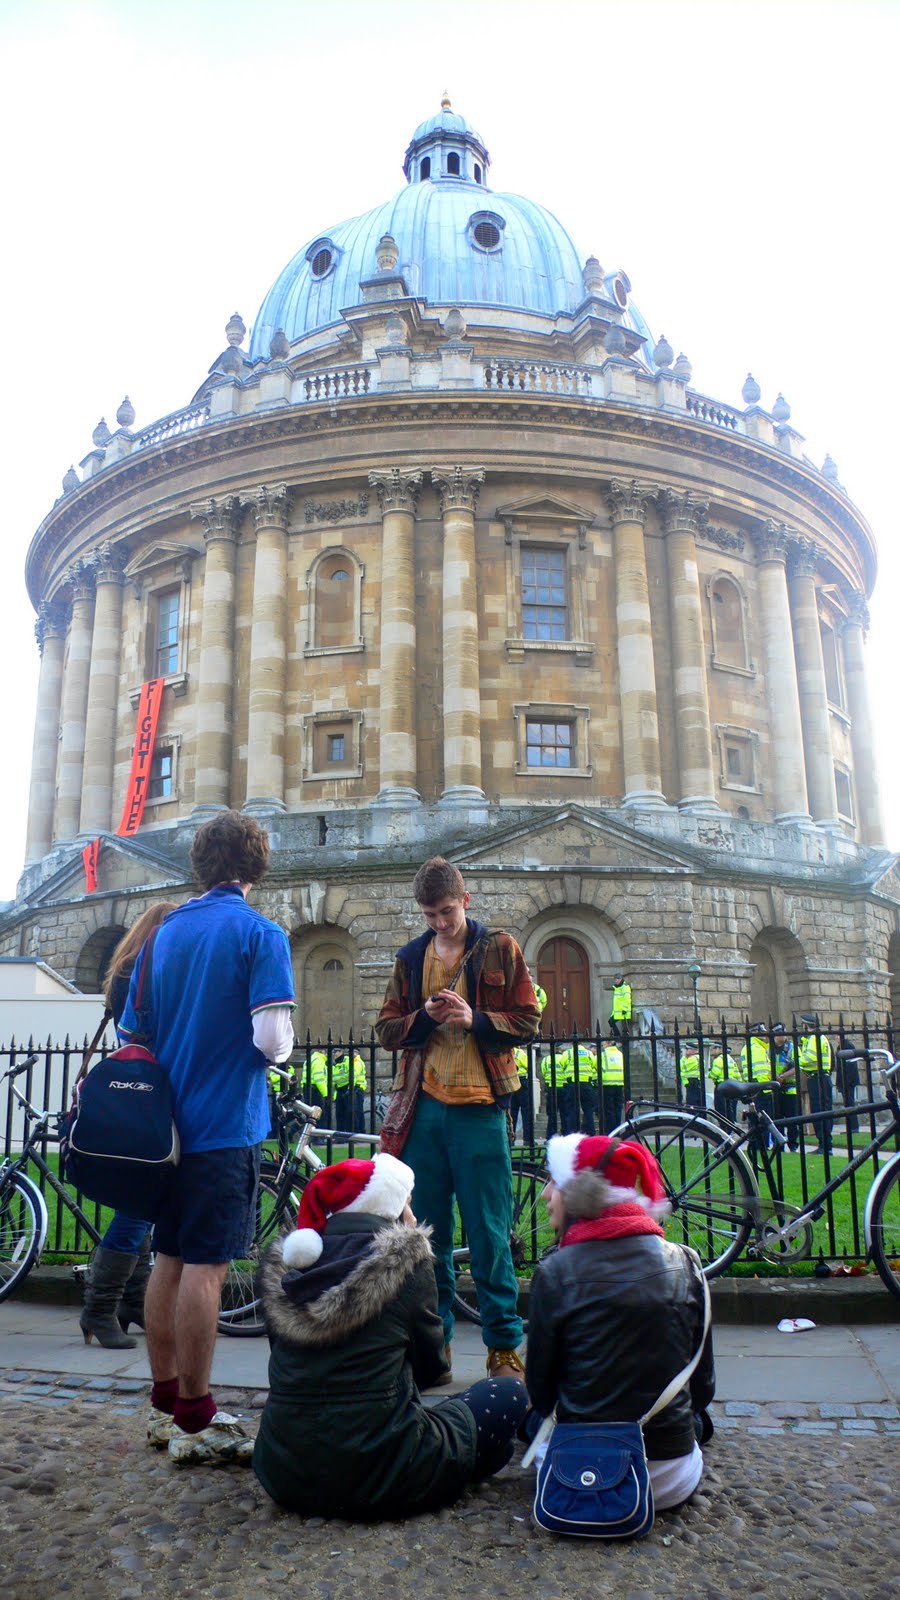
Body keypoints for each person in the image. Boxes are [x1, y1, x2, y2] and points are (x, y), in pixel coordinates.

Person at [119, 810, 295, 1467]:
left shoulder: (162, 934)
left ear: (201, 863)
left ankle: (165, 1404)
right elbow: (270, 1038)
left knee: (167, 1259)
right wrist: (281, 1053)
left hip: (163, 1132)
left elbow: (131, 1031)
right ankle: (196, 1416)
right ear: (256, 864)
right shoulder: (259, 932)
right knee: (206, 1268)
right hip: (224, 1127)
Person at [253, 1154, 528, 1518]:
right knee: (507, 1393)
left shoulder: (286, 1273)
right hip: (387, 1470)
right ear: (392, 1210)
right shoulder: (406, 1265)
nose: (413, 1216)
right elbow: (431, 1367)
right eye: (408, 1204)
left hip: (284, 1473)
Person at [375, 856, 541, 1381]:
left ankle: (504, 1347)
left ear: (465, 901)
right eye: (430, 915)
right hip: (423, 1111)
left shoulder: (500, 947)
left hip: (480, 1109)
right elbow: (385, 1030)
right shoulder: (411, 957)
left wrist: (476, 1019)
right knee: (430, 1238)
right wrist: (424, 1017)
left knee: (490, 1233)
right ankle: (437, 1345)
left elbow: (529, 1019)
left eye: (447, 912)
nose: (441, 923)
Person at [525, 1133, 715, 1513]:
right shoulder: (687, 1262)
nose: (545, 1195)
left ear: (579, 1194)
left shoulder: (554, 1272)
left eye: (553, 1182)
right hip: (671, 1477)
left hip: (577, 1471)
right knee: (698, 1420)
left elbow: (543, 1396)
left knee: (526, 1418)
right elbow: (703, 1387)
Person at [78, 901, 177, 1350]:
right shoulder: (147, 972)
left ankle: (133, 1303)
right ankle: (99, 1309)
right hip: (148, 1094)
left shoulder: (123, 971)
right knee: (138, 1205)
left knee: (141, 1202)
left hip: (131, 1094)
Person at [797, 1014, 834, 1155]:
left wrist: (797, 1060)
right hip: (819, 1078)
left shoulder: (814, 1038)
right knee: (821, 1111)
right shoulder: (813, 1038)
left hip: (818, 1079)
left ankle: (825, 1146)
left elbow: (810, 1058)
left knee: (820, 1112)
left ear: (806, 1025)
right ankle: (824, 1144)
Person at [332, 1047, 367, 1134]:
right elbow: (334, 1079)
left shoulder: (355, 1062)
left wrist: (349, 1089)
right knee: (342, 1114)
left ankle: (357, 1133)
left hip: (354, 1089)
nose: (334, 1054)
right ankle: (345, 1134)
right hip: (341, 1090)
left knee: (354, 1113)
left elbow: (353, 1076)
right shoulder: (336, 1064)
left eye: (336, 1051)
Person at [599, 1037, 625, 1132]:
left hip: (607, 1084)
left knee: (609, 1110)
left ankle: (611, 1131)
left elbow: (595, 1065)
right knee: (618, 1108)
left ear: (609, 1044)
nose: (603, 1046)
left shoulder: (603, 1054)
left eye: (604, 1044)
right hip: (620, 1083)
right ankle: (617, 1129)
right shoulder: (620, 1054)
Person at [609, 975, 633, 1040]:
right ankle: (619, 1038)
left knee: (624, 1028)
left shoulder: (625, 987)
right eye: (615, 980)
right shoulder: (617, 988)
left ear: (620, 979)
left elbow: (627, 999)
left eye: (616, 980)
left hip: (623, 1011)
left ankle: (619, 1038)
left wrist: (624, 1008)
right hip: (618, 1012)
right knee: (612, 1022)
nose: (615, 981)